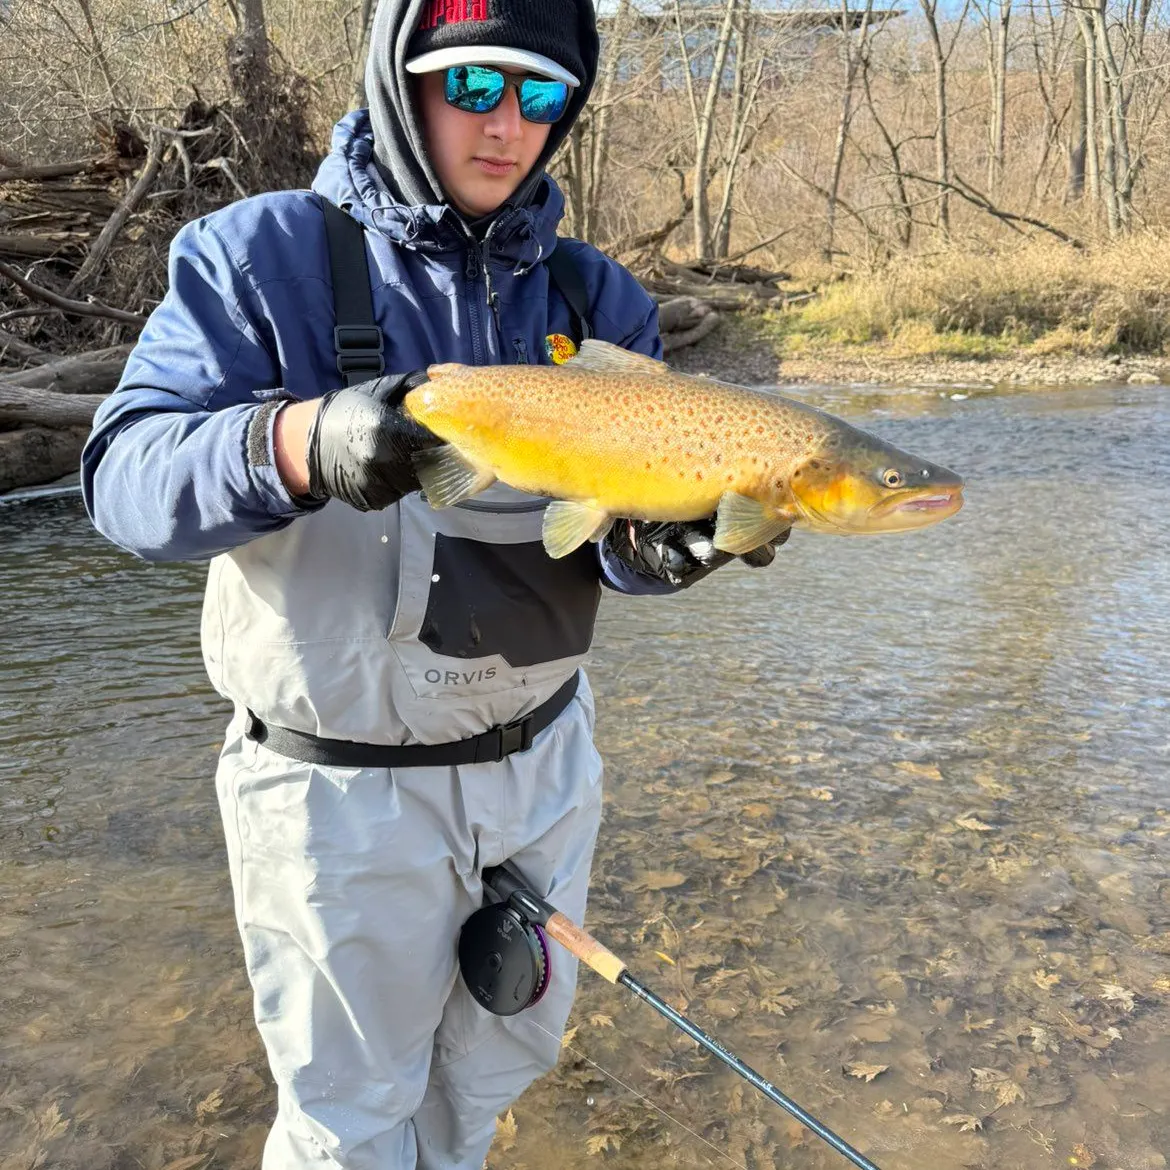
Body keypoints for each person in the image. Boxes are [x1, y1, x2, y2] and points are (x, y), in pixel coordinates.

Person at [81, 0, 786, 1165]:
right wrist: (296, 443)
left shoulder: (593, 302)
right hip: (336, 796)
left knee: (495, 1071)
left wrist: (667, 552)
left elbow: (603, 546)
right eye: (473, 88)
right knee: (351, 1119)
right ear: (399, 85)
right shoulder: (255, 259)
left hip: (544, 773)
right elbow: (124, 483)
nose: (508, 126)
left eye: (542, 97)